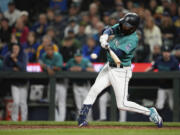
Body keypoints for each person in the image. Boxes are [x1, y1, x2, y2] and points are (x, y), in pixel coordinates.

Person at [77, 13, 163, 128]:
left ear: (133, 28)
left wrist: (107, 46)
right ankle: (82, 118)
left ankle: (150, 112)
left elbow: (118, 54)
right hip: (109, 66)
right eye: (124, 23)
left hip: (121, 71)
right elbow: (108, 29)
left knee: (122, 104)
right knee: (94, 89)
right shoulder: (122, 26)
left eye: (127, 25)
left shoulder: (132, 39)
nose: (123, 26)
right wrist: (104, 36)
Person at [146, 45, 179, 112]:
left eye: (168, 52)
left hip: (171, 87)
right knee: (159, 106)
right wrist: (148, 70)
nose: (166, 54)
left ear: (170, 53)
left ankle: (176, 121)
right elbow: (153, 67)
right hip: (162, 87)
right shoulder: (159, 59)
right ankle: (159, 121)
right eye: (165, 52)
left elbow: (177, 74)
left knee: (173, 106)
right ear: (162, 53)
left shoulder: (174, 61)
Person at [39, 44, 67, 121]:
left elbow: (59, 67)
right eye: (47, 50)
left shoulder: (58, 55)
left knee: (61, 102)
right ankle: (56, 120)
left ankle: (62, 121)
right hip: (51, 82)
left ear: (53, 50)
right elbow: (41, 63)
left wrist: (49, 67)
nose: (48, 51)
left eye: (50, 50)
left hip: (61, 81)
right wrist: (48, 68)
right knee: (51, 102)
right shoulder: (44, 56)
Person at [66, 50, 94, 119]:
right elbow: (64, 69)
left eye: (79, 56)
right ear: (74, 57)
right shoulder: (71, 61)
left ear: (81, 56)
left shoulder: (85, 61)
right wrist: (70, 69)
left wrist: (82, 69)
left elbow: (92, 70)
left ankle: (90, 122)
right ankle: (80, 122)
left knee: (87, 105)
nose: (78, 58)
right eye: (76, 56)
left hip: (85, 85)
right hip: (76, 85)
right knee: (78, 106)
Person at [3, 43, 28, 121]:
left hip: (24, 82)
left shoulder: (23, 55)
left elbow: (23, 67)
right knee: (16, 102)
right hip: (14, 82)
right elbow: (4, 68)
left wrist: (15, 60)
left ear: (19, 49)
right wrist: (12, 69)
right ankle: (14, 120)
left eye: (17, 48)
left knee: (23, 103)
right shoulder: (8, 56)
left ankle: (24, 121)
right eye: (14, 49)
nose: (15, 50)